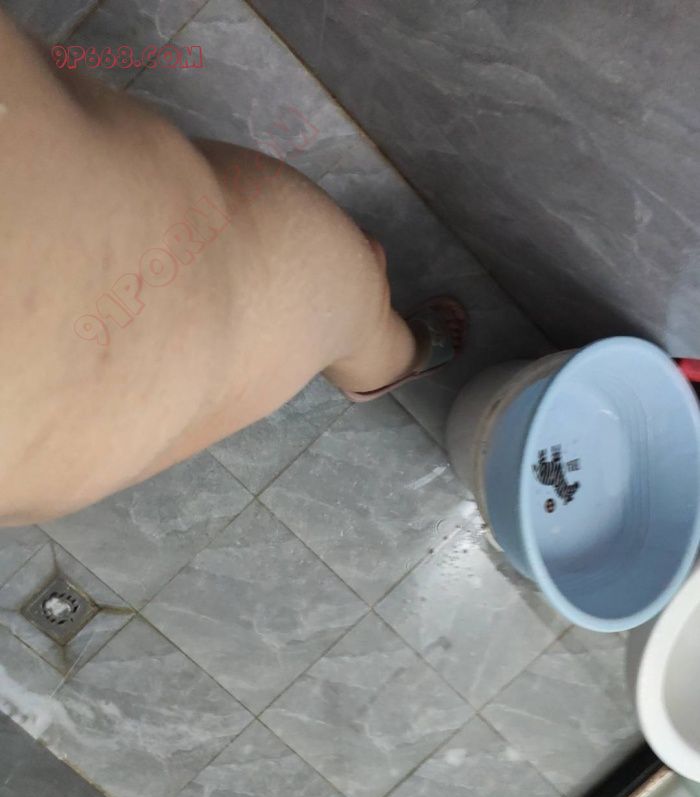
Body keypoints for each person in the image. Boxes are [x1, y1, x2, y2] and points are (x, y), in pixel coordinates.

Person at [0, 9, 466, 527]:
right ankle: (394, 357)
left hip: (64, 454)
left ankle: (357, 321)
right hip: (173, 339)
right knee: (354, 308)